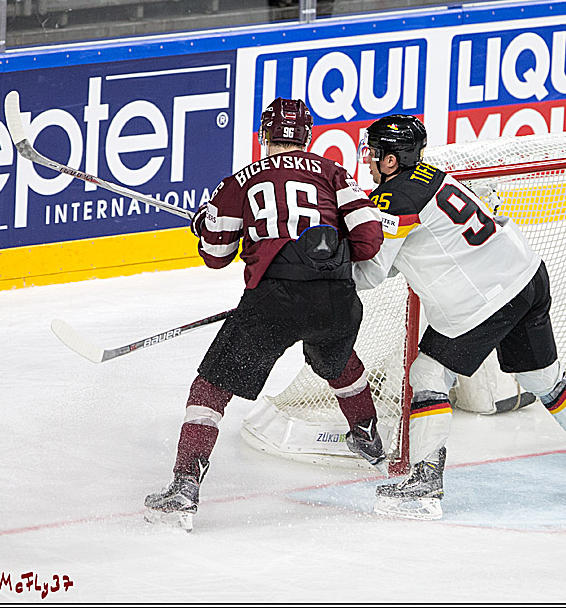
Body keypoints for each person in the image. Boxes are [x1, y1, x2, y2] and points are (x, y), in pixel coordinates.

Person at [352, 114, 566, 520]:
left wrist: (323, 273)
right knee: (542, 377)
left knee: (429, 376)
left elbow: (374, 271)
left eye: (376, 153)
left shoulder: (393, 198)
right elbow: (411, 249)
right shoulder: (433, 176)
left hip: (484, 299)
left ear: (392, 161)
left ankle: (425, 481)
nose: (371, 160)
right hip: (526, 273)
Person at [144, 99, 386, 531]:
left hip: (272, 302)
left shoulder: (239, 181)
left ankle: (184, 489)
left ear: (264, 136)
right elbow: (369, 239)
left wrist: (205, 226)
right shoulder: (334, 173)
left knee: (212, 386)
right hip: (336, 298)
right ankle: (369, 439)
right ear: (308, 136)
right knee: (337, 357)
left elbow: (217, 255)